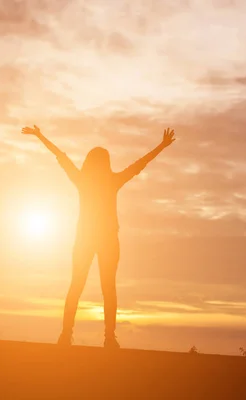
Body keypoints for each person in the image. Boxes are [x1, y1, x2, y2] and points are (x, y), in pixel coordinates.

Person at [21, 124, 176, 348]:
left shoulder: (83, 181)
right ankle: (108, 338)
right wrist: (161, 145)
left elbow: (61, 157)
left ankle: (67, 335)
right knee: (107, 288)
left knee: (77, 286)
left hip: (86, 239)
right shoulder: (112, 181)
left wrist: (40, 136)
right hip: (105, 240)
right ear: (106, 163)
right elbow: (139, 165)